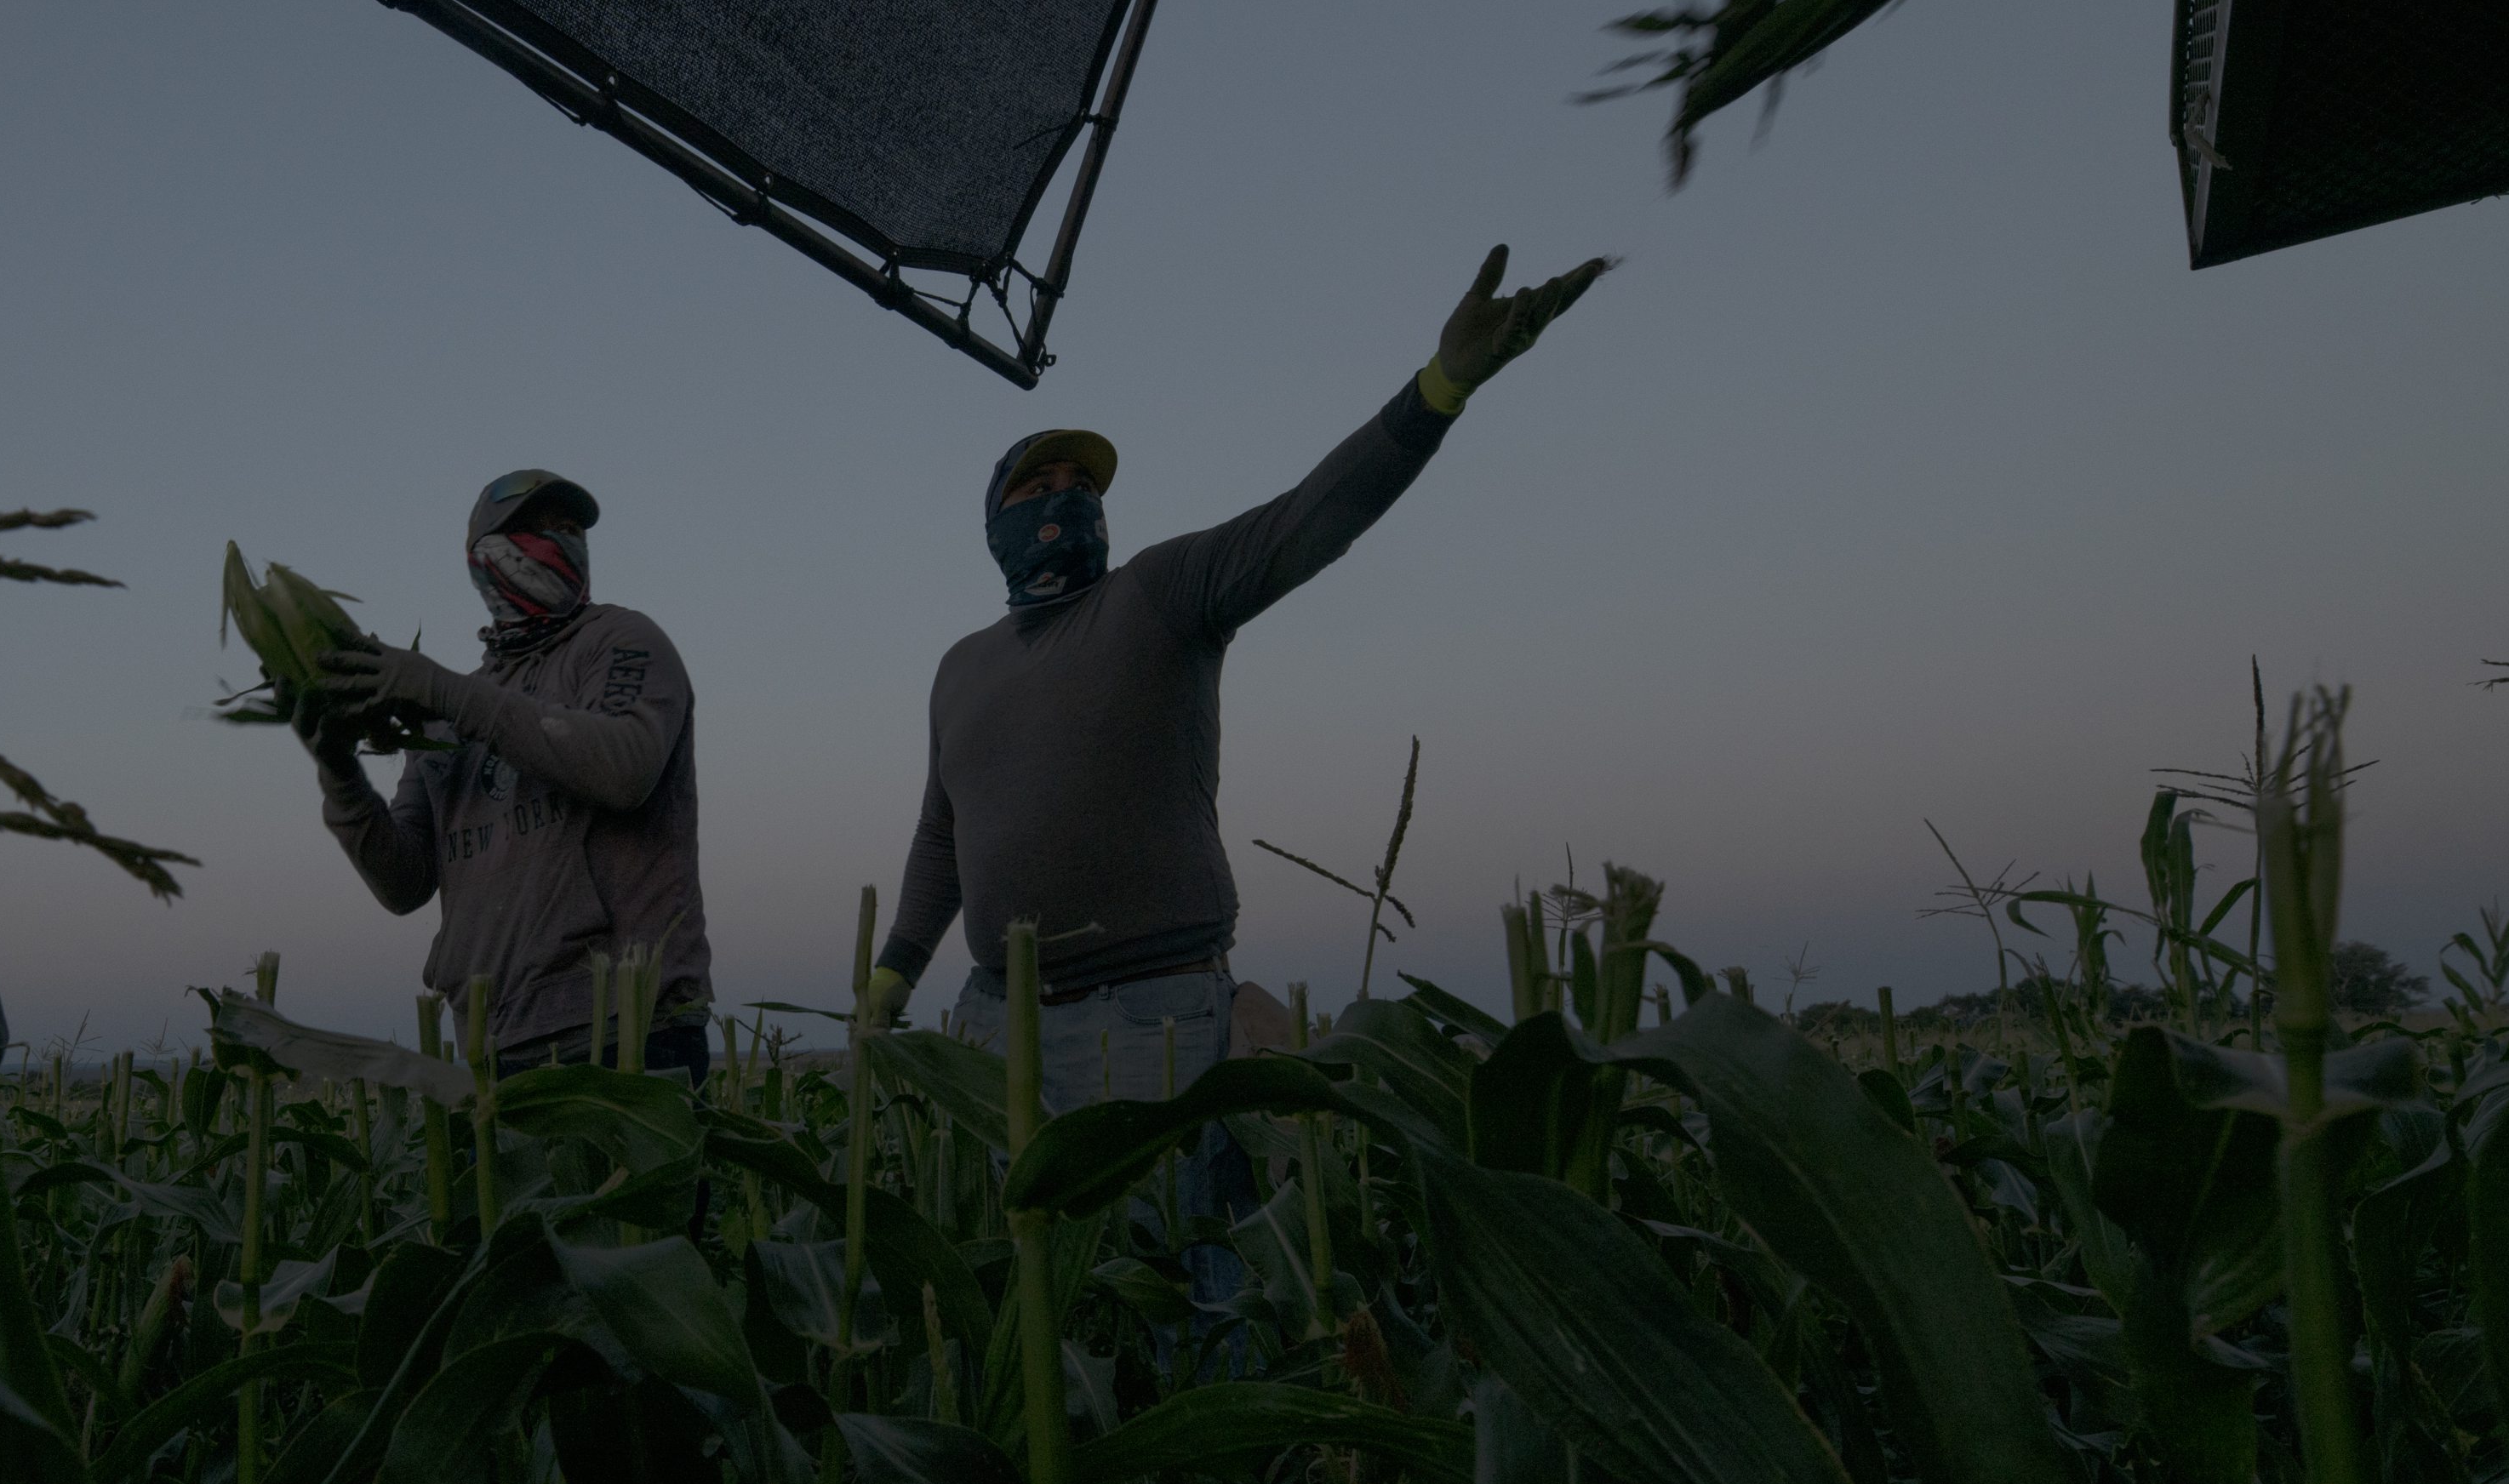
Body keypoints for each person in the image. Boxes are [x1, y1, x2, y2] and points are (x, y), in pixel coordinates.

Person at [864, 244, 1606, 1107]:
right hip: (995, 1025)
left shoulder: (1158, 593)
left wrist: (1440, 387)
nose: (1066, 498)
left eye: (1082, 485)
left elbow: (1308, 518)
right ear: (995, 524)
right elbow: (938, 837)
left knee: (1162, 1236)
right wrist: (891, 974)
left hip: (1148, 1021)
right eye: (1039, 485)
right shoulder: (961, 667)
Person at [294, 466, 713, 1077]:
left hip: (625, 1036)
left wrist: (441, 688)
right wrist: (338, 771)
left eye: (569, 528)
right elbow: (404, 882)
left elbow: (627, 769)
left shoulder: (621, 641)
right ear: (480, 557)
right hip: (494, 1050)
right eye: (534, 528)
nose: (559, 540)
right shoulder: (443, 714)